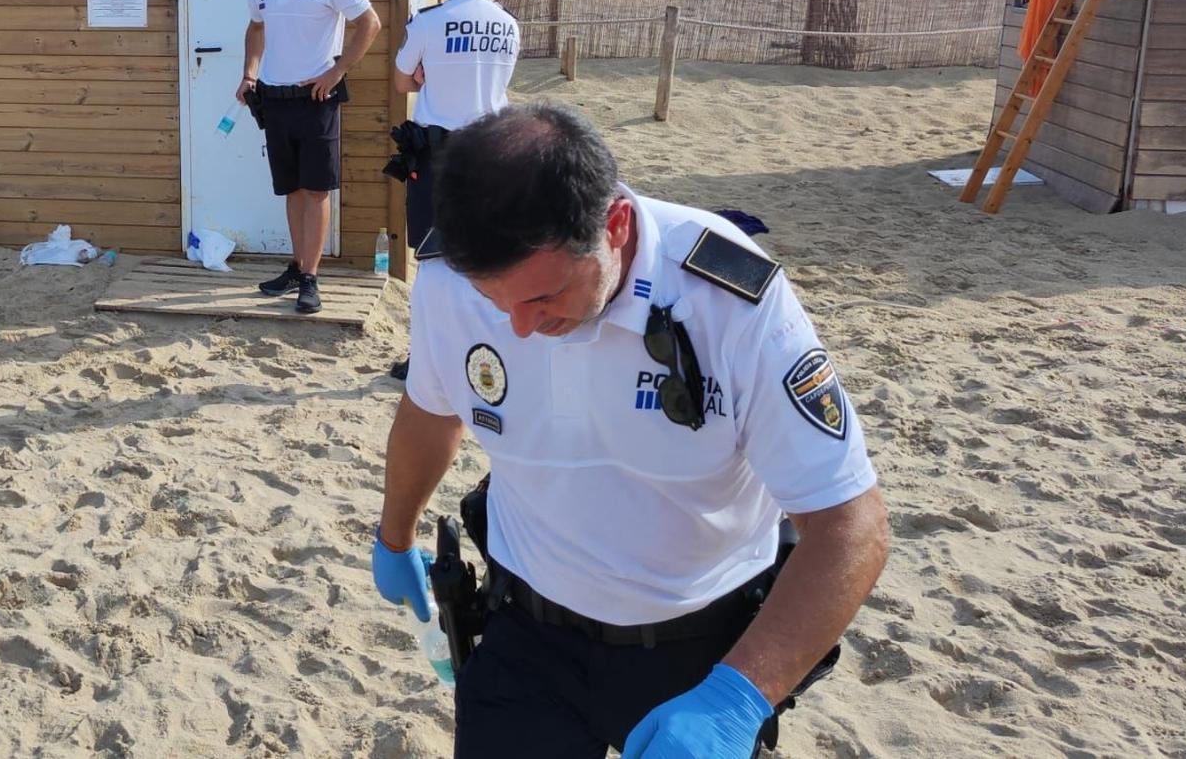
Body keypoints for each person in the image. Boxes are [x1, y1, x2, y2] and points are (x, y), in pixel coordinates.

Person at [371, 102, 889, 757]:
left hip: (701, 650)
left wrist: (737, 697)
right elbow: (432, 408)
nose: (521, 326)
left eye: (543, 296)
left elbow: (853, 524)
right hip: (527, 637)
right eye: (497, 302)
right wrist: (394, 535)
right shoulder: (450, 281)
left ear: (614, 225)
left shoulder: (726, 300)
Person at [234, 0, 381, 314]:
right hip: (276, 98)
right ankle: (298, 267)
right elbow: (256, 27)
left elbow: (369, 23)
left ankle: (312, 279)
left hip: (317, 99)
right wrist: (249, 73)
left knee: (316, 191)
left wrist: (337, 71)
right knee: (292, 188)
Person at [387, 0, 519, 378]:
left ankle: (426, 357)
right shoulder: (507, 22)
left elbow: (403, 82)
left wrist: (428, 76)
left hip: (440, 156)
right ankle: (482, 350)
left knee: (432, 259)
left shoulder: (428, 21)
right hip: (492, 151)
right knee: (483, 255)